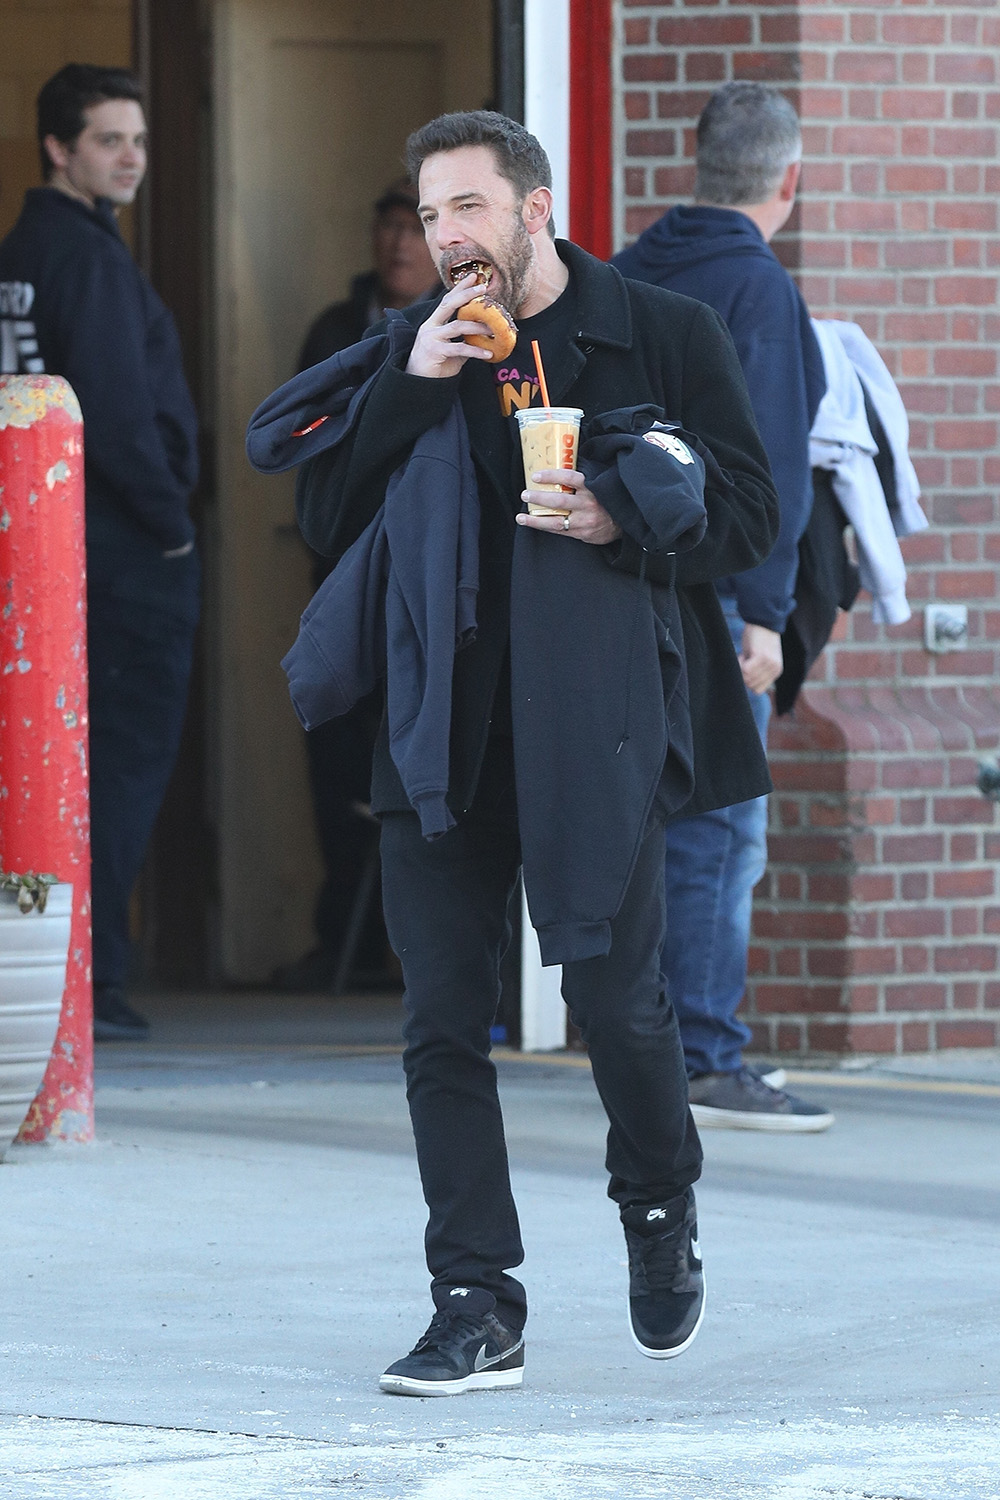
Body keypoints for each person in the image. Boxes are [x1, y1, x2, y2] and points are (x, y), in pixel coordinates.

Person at [288, 110, 779, 1396]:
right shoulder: (413, 349)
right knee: (441, 1021)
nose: (446, 237)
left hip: (599, 725)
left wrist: (622, 516)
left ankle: (659, 1205)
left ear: (533, 209)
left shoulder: (662, 332)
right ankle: (474, 1300)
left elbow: (748, 510)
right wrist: (412, 386)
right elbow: (324, 516)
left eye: (468, 208)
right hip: (439, 726)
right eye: (430, 212)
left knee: (619, 1008)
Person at [613, 82, 834, 1132]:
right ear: (787, 180)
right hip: (711, 601)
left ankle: (647, 1045)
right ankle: (703, 1057)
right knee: (721, 830)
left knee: (645, 826)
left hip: (618, 593)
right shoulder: (757, 289)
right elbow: (770, 471)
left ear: (695, 163)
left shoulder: (625, 271)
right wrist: (762, 613)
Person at [0, 65, 200, 1041]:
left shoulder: (21, 256)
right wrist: (174, 529)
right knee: (115, 772)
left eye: (139, 139)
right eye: (110, 139)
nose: (131, 158)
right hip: (119, 557)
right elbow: (119, 421)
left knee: (43, 771)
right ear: (59, 148)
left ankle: (52, 982)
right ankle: (93, 981)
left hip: (39, 556)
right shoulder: (87, 262)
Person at [272, 180, 437, 993]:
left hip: (427, 587)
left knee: (416, 768)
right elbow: (308, 444)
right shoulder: (339, 333)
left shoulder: (465, 334)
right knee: (336, 772)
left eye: (418, 228)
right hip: (344, 579)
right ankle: (341, 941)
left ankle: (414, 955)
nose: (402, 243)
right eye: (392, 228)